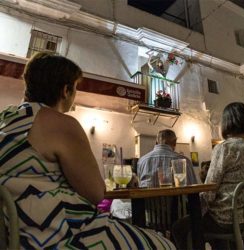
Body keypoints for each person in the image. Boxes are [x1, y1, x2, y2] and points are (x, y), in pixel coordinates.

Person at [0, 52, 175, 249]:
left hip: (8, 233)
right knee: (163, 245)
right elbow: (96, 193)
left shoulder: (5, 118)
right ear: (66, 90)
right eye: (75, 88)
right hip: (50, 235)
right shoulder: (60, 123)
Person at [172, 102, 244, 249]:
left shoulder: (225, 148)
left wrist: (194, 209)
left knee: (180, 227)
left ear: (226, 123)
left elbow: (209, 191)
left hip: (230, 220)